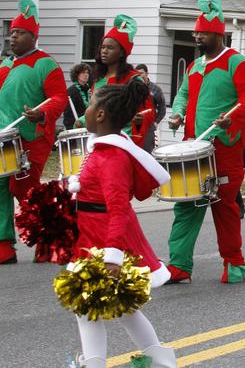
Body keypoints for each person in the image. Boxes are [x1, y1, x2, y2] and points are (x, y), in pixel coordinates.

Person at [69, 79, 177, 368]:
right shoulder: (103, 148)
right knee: (122, 309)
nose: (88, 110)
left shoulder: (112, 156)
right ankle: (158, 360)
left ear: (101, 114)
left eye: (91, 105)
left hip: (106, 242)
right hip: (93, 238)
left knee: (88, 308)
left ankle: (95, 364)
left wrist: (113, 256)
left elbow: (118, 208)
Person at [165, 0, 245, 285]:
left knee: (224, 206)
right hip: (194, 146)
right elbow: (182, 95)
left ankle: (234, 262)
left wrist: (234, 117)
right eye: (196, 32)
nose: (196, 36)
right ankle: (179, 265)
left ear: (218, 34)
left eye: (202, 32)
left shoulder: (237, 62)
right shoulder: (195, 67)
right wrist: (178, 113)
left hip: (225, 149)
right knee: (186, 205)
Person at [0, 0, 68, 266]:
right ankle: (2, 245)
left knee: (26, 190)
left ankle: (48, 240)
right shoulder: (2, 65)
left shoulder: (46, 64)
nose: (12, 37)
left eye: (19, 33)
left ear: (33, 36)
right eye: (11, 32)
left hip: (30, 138)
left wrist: (42, 113)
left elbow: (59, 97)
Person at [82, 16, 155, 149]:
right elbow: (95, 110)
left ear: (122, 52)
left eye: (110, 48)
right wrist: (81, 121)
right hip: (97, 141)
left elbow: (149, 111)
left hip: (122, 143)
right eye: (103, 47)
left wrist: (140, 120)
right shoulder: (98, 80)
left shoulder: (133, 80)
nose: (104, 51)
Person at [135, 64, 167, 150]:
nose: (139, 76)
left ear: (147, 73)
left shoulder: (155, 89)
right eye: (137, 74)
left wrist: (156, 122)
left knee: (147, 150)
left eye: (141, 73)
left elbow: (162, 108)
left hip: (149, 125)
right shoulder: (133, 88)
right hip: (135, 124)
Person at [63, 64, 92, 130]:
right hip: (76, 127)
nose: (86, 75)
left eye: (87, 73)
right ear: (77, 75)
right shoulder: (72, 91)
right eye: (83, 73)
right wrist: (71, 127)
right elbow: (68, 112)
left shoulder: (89, 90)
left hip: (89, 126)